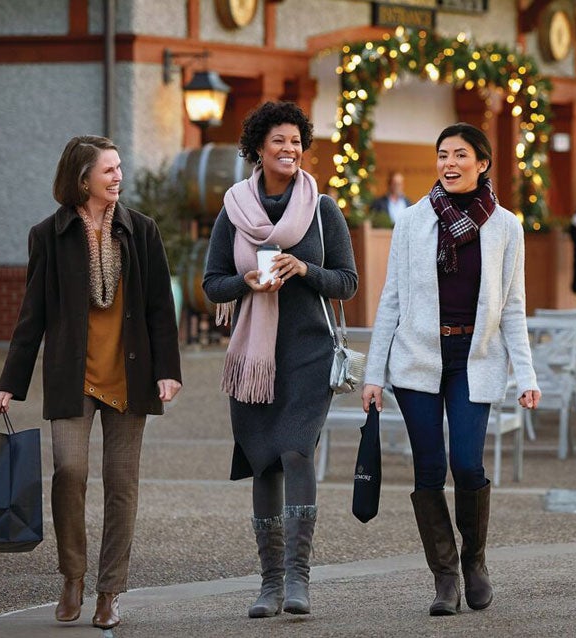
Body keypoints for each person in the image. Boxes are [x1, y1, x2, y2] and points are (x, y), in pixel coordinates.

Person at [0, 135, 182, 630]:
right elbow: (31, 315)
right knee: (69, 472)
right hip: (72, 377)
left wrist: (168, 370)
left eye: (119, 168)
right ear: (83, 179)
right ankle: (72, 575)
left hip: (130, 376)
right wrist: (10, 381)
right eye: (108, 170)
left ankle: (109, 590)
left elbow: (161, 306)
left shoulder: (141, 230)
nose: (118, 176)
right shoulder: (48, 236)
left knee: (122, 484)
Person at [361, 122, 541, 617]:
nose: (450, 164)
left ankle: (475, 561)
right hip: (418, 360)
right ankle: (445, 579)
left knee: (467, 464)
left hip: (473, 361)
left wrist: (526, 375)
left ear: (482, 163)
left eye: (461, 155)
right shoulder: (413, 221)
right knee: (428, 469)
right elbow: (391, 302)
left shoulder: (505, 226)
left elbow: (513, 307)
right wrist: (374, 374)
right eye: (443, 155)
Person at [201, 101, 357, 619]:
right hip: (252, 358)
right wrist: (244, 283)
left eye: (296, 141)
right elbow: (211, 283)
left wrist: (305, 268)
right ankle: (269, 583)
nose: (289, 150)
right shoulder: (233, 209)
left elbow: (348, 282)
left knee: (295, 452)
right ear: (258, 149)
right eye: (278, 142)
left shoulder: (321, 208)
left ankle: (298, 580)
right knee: (263, 459)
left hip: (307, 353)